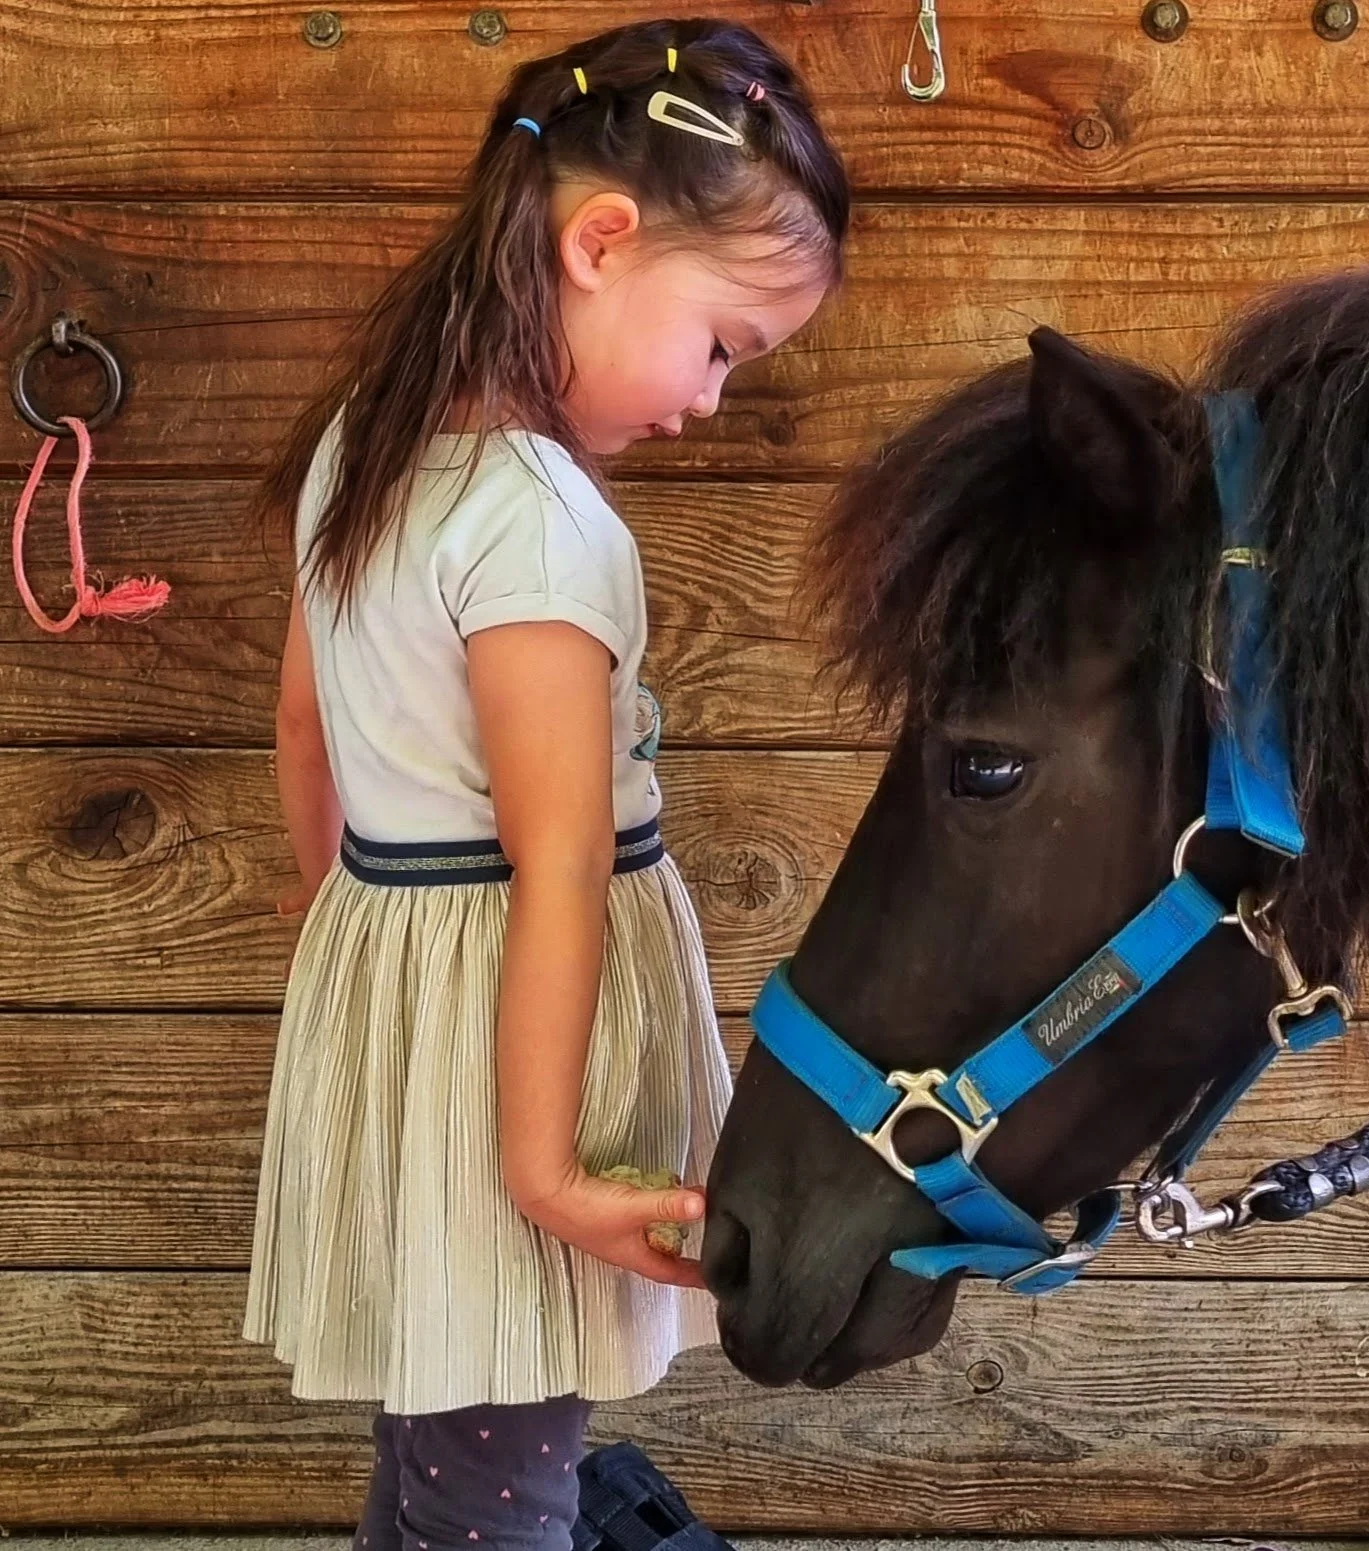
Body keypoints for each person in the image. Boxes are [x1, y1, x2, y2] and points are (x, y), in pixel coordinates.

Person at [241, 20, 849, 1546]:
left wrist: (366, 968)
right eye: (722, 344)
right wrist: (545, 1163)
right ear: (600, 241)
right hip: (528, 1046)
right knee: (502, 1451)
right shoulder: (537, 525)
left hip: (421, 987)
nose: (711, 398)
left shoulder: (362, 452)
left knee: (450, 1421)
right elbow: (560, 858)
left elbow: (307, 738)